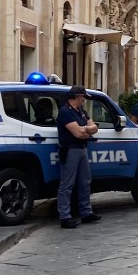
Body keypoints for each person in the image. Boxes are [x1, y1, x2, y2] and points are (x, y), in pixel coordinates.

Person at [56, 85, 101, 228]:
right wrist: (87, 130)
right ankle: (65, 216)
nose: (84, 100)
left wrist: (86, 129)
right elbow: (78, 134)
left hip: (82, 148)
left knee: (85, 182)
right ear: (77, 97)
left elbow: (94, 128)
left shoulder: (81, 111)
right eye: (83, 98)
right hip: (70, 150)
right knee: (67, 184)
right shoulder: (65, 112)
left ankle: (86, 212)